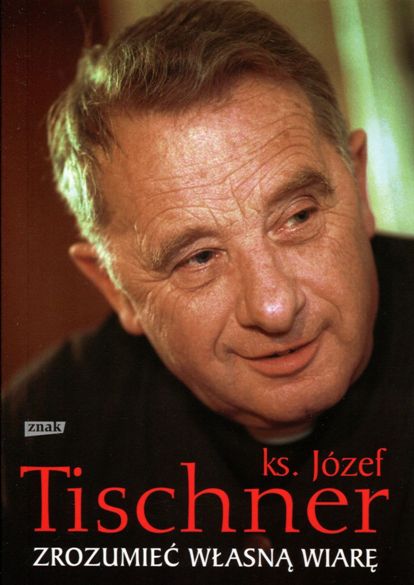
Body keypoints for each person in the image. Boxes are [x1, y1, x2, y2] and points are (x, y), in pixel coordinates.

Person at [3, 1, 413, 584]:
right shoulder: (40, 436)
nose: (274, 308)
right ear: (115, 289)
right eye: (198, 258)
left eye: (297, 217)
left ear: (359, 185)